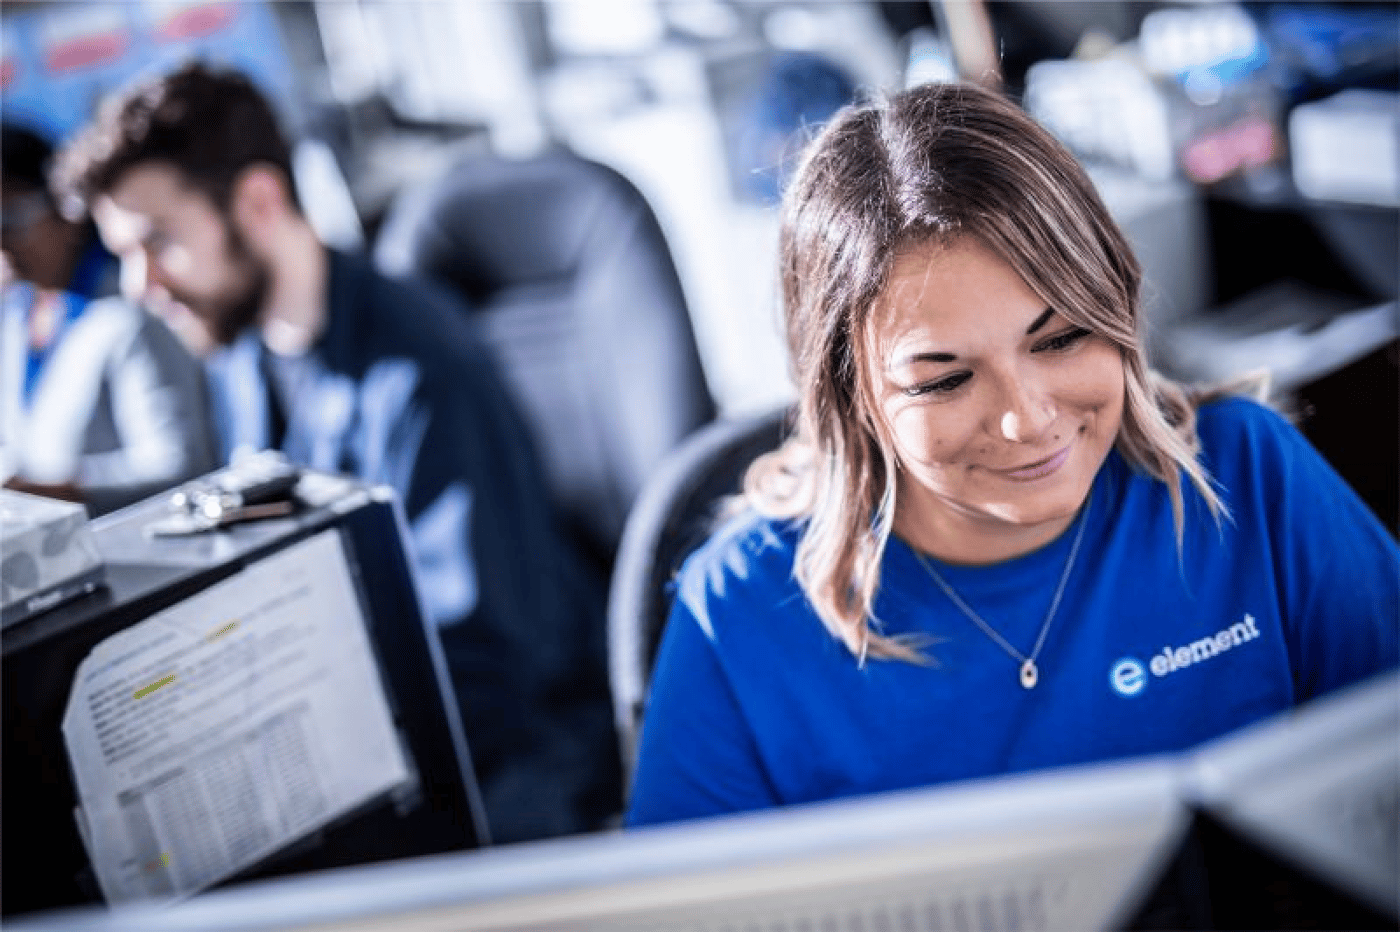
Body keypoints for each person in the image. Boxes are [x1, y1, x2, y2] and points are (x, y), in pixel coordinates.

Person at [626, 81, 1399, 826]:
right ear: (849, 396)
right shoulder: (741, 613)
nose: (1026, 420)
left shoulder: (1246, 477)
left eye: (1061, 338)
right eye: (947, 379)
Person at [54, 63, 619, 843]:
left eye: (158, 243)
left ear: (257, 202)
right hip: (382, 746)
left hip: (519, 773)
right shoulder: (245, 362)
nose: (140, 284)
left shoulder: (419, 370)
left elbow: (479, 658)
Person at [1, 121, 216, 514]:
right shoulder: (17, 320)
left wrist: (56, 491)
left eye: (12, 218)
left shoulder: (133, 314)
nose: (2, 242)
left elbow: (182, 467)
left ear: (65, 211)